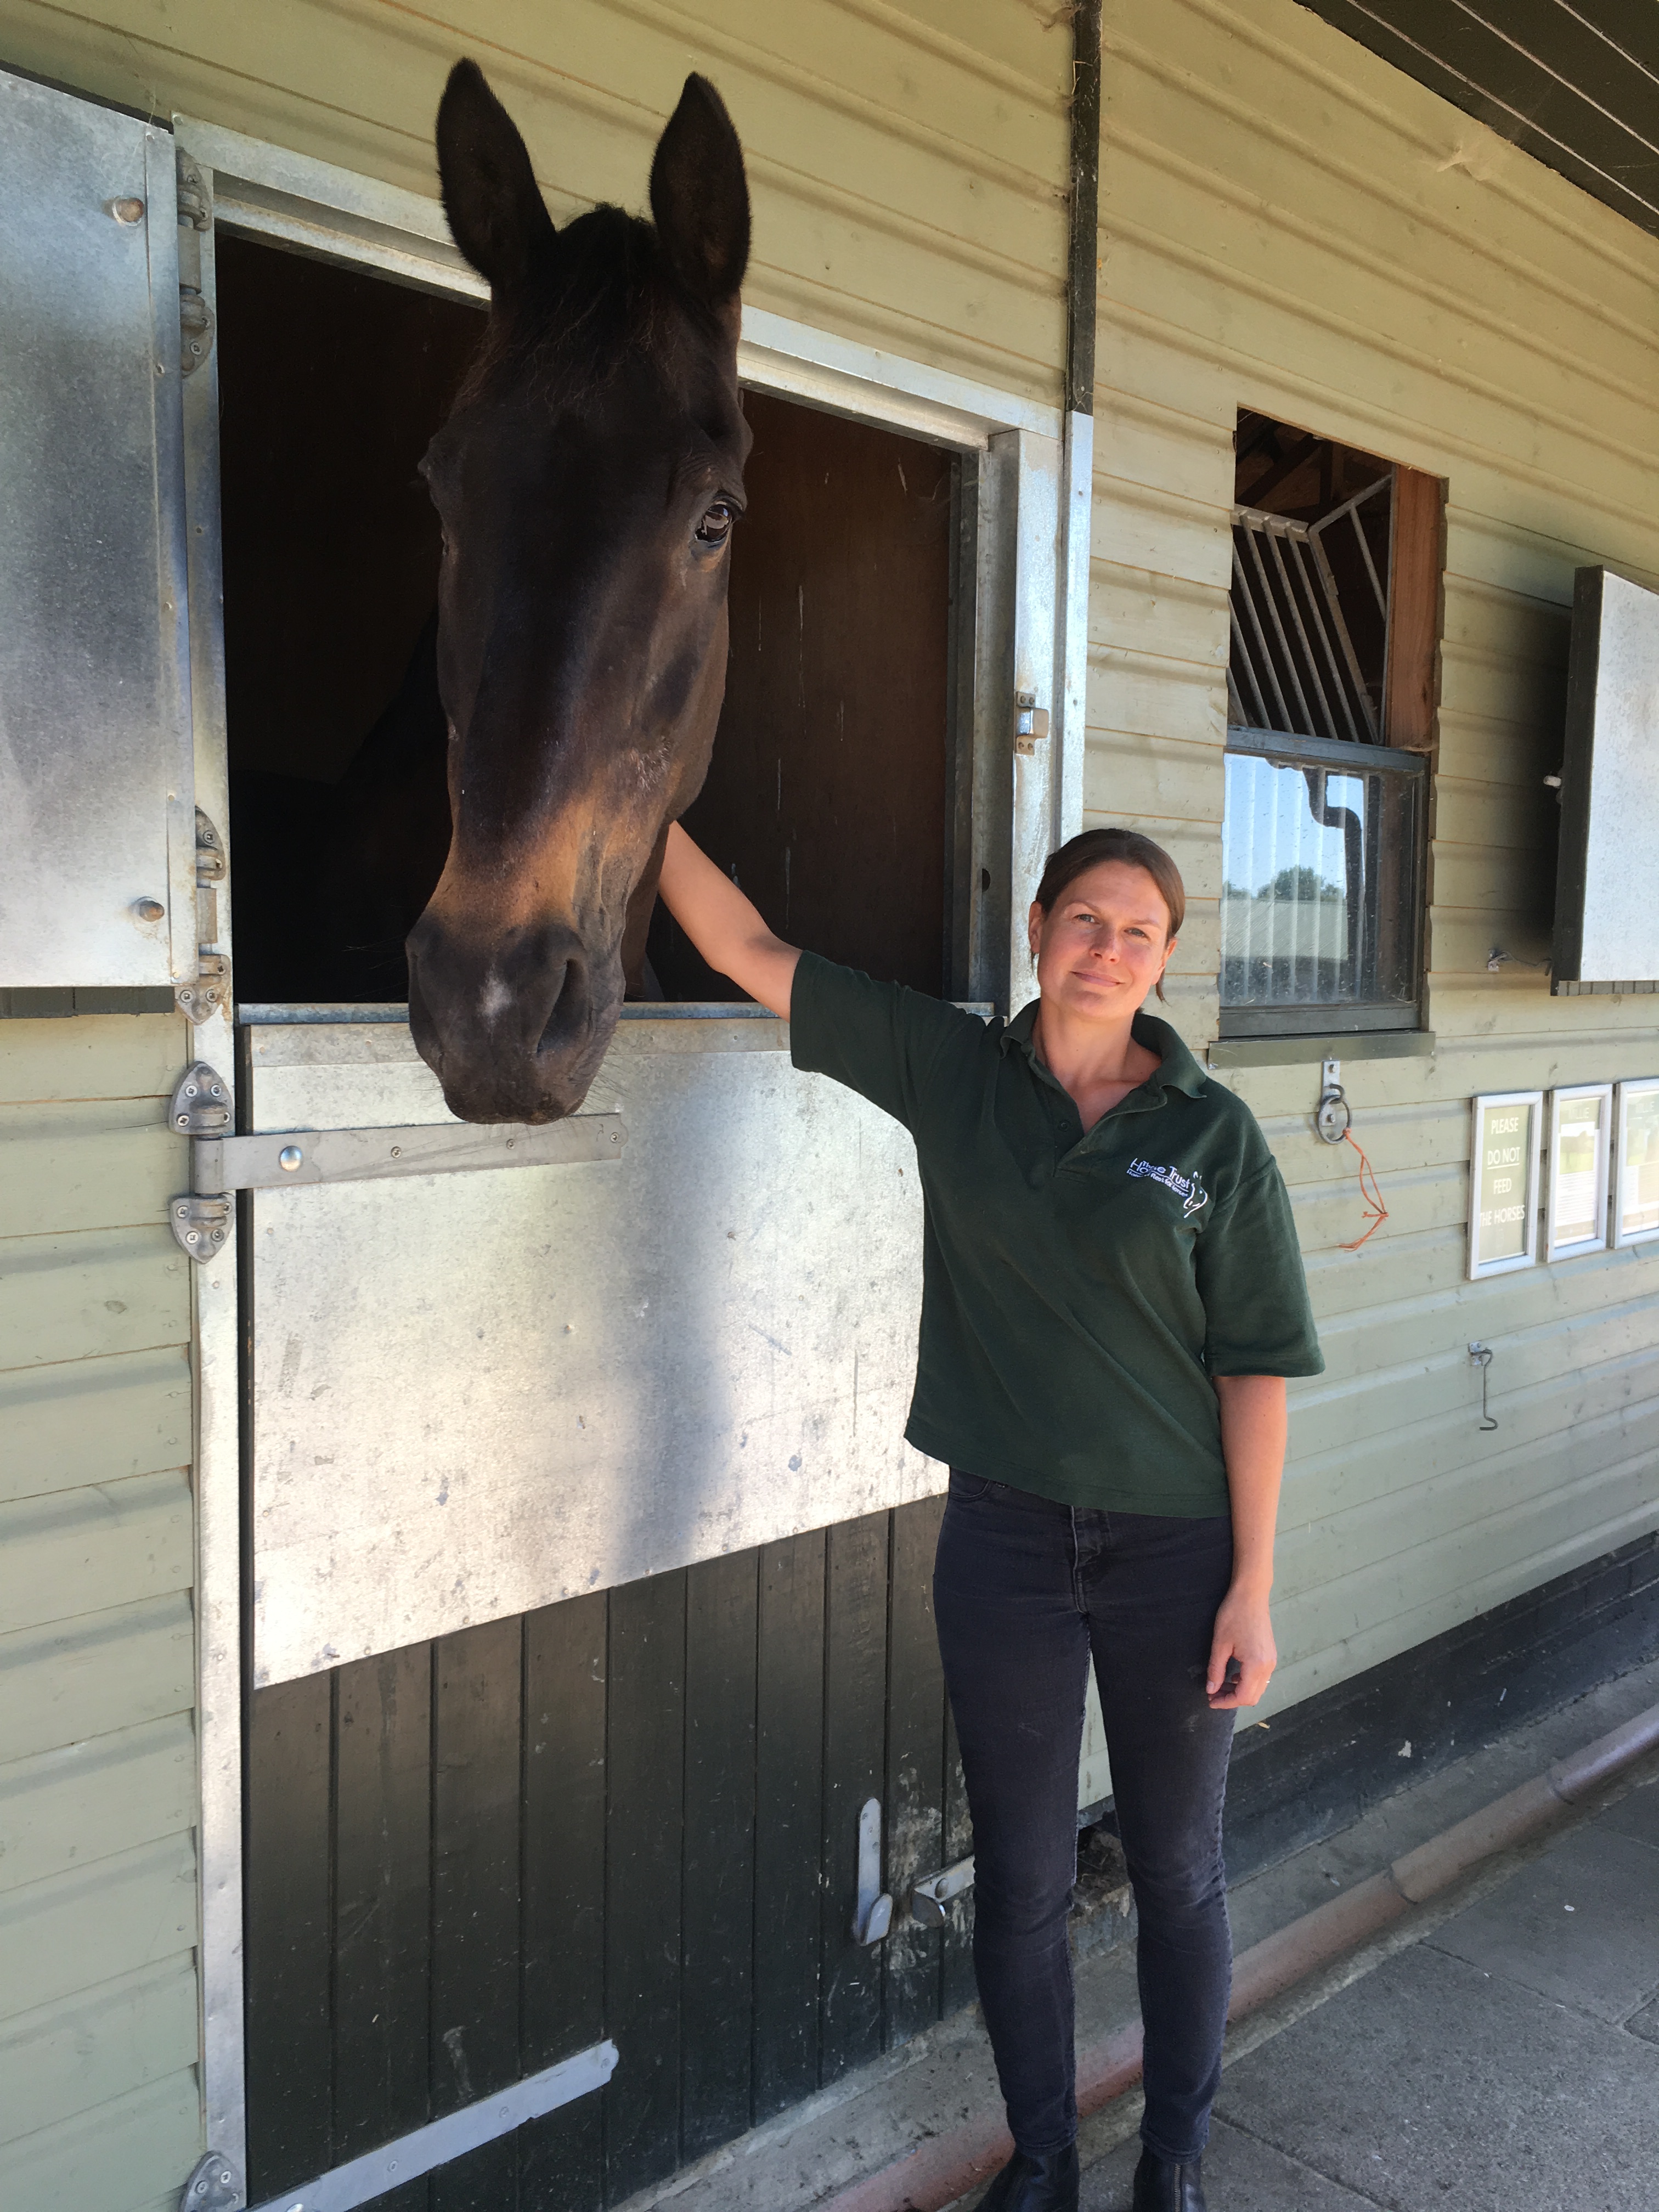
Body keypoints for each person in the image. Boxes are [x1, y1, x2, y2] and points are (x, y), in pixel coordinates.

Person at [656, 819, 1323, 2212]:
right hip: (1008, 1545)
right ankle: (1043, 2159)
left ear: (1167, 956)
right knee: (1020, 1878)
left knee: (1177, 1871)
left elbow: (1254, 1369)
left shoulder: (1213, 1135)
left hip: (1177, 1554)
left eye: (1138, 931)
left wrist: (1252, 1585)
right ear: (1035, 929)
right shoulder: (955, 1071)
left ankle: (1175, 2162)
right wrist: (634, 783)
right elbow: (744, 947)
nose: (1108, 950)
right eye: (1085, 919)